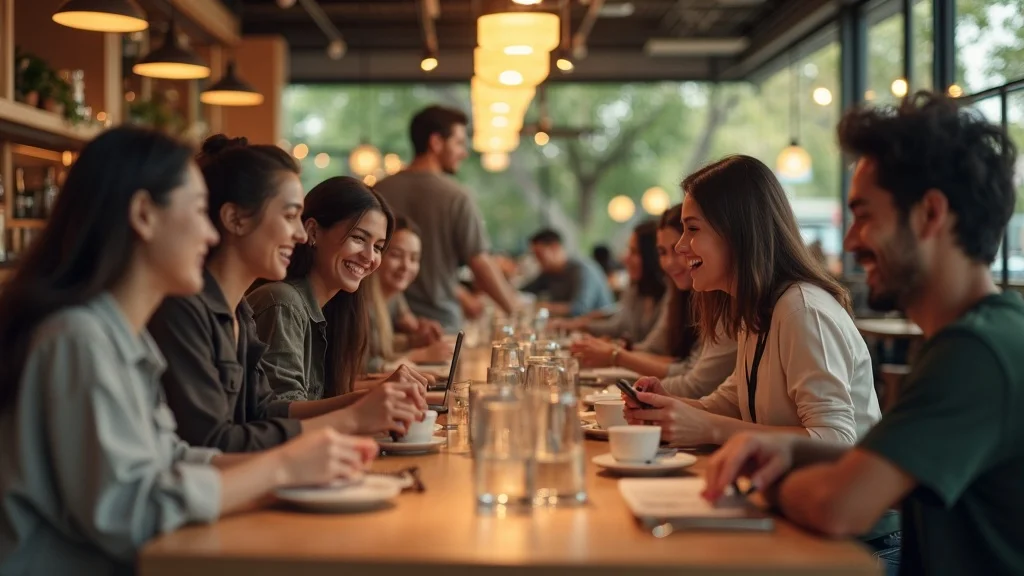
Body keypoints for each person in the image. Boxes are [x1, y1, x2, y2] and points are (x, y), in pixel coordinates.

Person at [0, 127, 377, 574]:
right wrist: (280, 469)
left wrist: (296, 465)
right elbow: (131, 515)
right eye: (199, 210)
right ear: (144, 214)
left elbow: (173, 458)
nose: (210, 232)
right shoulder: (77, 340)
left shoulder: (124, 337)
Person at [704, 92, 1024, 576]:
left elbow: (838, 505)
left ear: (930, 214)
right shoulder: (988, 334)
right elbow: (878, 465)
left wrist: (760, 480)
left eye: (865, 215)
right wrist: (790, 447)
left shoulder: (974, 353)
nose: (851, 241)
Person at [149, 136, 428, 453]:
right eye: (290, 216)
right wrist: (352, 416)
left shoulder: (239, 311)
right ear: (235, 219)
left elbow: (265, 411)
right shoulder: (189, 309)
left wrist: (366, 402)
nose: (299, 234)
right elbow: (214, 445)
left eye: (378, 246)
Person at [623, 155, 881, 447]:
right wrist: (669, 406)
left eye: (692, 229)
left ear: (738, 232)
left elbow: (837, 439)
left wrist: (709, 428)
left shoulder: (801, 310)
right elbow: (733, 402)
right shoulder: (757, 307)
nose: (681, 246)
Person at [247, 176, 430, 401]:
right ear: (313, 231)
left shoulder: (337, 309)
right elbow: (285, 412)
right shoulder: (283, 302)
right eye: (358, 238)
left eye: (378, 247)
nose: (369, 257)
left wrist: (380, 391)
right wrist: (373, 395)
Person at [374, 105, 518, 331]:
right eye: (459, 143)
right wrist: (517, 313)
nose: (464, 152)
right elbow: (480, 262)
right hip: (440, 328)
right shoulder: (456, 196)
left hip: (384, 323)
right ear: (436, 142)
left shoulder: (377, 191)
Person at [574, 204, 737, 393]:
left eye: (677, 250)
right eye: (662, 252)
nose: (669, 262)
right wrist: (611, 351)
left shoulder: (726, 303)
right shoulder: (675, 295)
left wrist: (616, 357)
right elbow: (655, 350)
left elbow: (694, 382)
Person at [366, 215, 453, 370]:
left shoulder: (394, 295)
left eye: (413, 258)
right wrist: (422, 355)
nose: (406, 266)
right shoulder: (362, 302)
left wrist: (420, 334)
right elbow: (363, 366)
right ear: (377, 254)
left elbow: (387, 342)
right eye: (396, 255)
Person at [563, 221, 666, 343]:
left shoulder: (670, 295)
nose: (626, 259)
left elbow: (654, 348)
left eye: (634, 252)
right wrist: (580, 326)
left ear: (652, 256)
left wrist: (613, 351)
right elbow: (619, 326)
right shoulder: (635, 288)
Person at [522, 228, 614, 317]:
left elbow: (580, 309)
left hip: (597, 325)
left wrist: (541, 306)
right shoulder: (549, 272)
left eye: (539, 255)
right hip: (569, 325)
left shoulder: (582, 270)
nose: (536, 261)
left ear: (554, 247)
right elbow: (522, 292)